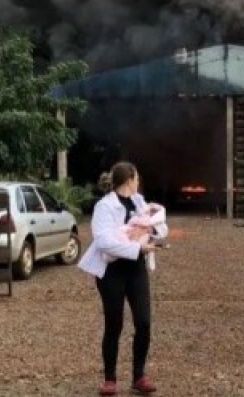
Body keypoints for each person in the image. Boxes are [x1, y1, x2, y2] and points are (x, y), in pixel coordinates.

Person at [78, 162, 168, 396]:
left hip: (136, 269)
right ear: (129, 179)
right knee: (114, 324)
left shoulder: (139, 201)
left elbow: (159, 225)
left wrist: (153, 231)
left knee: (144, 322)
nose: (139, 182)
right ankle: (110, 379)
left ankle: (139, 376)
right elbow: (103, 241)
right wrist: (136, 248)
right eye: (136, 178)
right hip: (111, 272)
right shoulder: (104, 206)